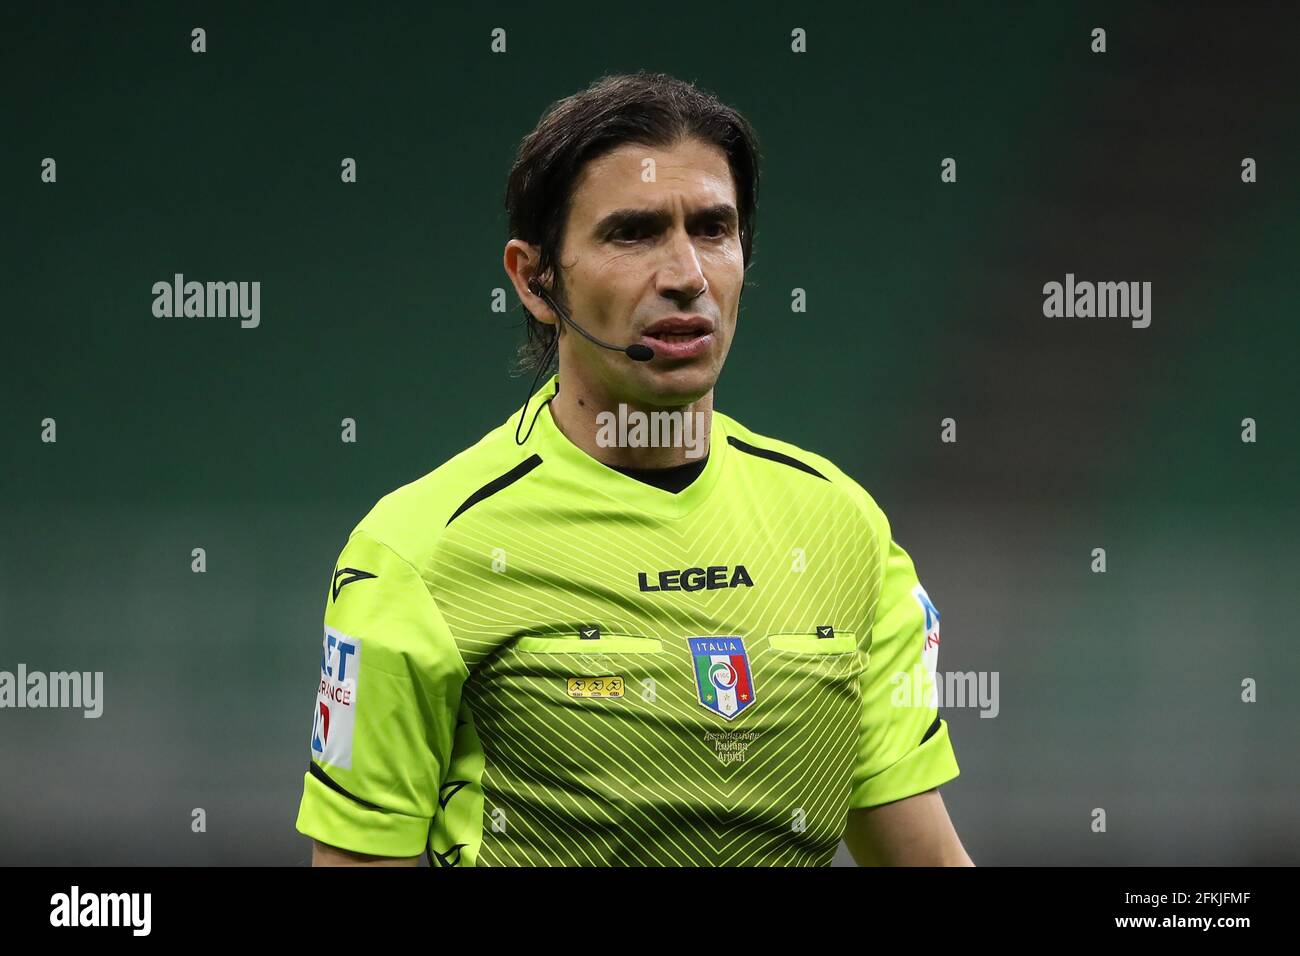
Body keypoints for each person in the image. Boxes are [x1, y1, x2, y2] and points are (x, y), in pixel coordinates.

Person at [296, 71, 972, 867]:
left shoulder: (843, 529)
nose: (687, 274)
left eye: (714, 229)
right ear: (535, 279)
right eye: (634, 233)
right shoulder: (419, 551)